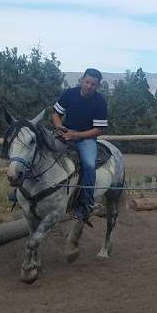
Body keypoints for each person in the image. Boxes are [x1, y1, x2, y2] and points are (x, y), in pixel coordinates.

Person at [52, 68, 109, 219]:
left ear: (98, 86)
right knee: (44, 150)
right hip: (65, 133)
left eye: (93, 84)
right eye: (87, 82)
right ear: (82, 80)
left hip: (86, 138)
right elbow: (56, 114)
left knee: (89, 165)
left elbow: (98, 130)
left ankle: (86, 204)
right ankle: (23, 189)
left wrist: (76, 135)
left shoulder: (100, 102)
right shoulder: (69, 94)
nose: (89, 86)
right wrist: (59, 127)